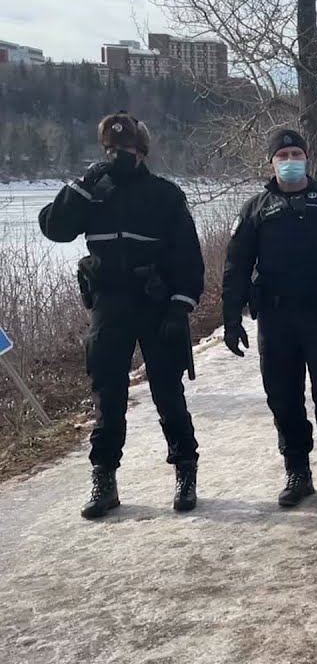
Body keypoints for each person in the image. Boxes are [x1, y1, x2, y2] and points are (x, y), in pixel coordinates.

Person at [39, 112, 204, 519]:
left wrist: (181, 305)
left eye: (126, 149)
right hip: (110, 305)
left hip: (156, 304)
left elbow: (188, 256)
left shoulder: (165, 194)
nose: (119, 156)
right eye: (111, 150)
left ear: (142, 151)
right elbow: (54, 228)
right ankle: (104, 478)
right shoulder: (93, 193)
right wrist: (80, 186)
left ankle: (185, 470)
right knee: (107, 396)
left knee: (168, 392)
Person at [222, 129, 317, 506]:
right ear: (271, 162)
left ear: (307, 159)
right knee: (283, 399)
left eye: (296, 153)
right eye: (282, 155)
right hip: (275, 319)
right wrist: (231, 319)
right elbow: (236, 266)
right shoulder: (256, 209)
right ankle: (297, 471)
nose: (290, 160)